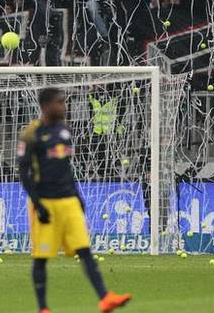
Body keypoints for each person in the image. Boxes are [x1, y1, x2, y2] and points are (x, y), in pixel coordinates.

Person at [17, 88, 131, 313]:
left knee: (84, 250)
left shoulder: (65, 131)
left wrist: (78, 196)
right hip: (46, 202)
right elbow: (24, 173)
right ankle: (43, 308)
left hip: (68, 200)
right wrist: (38, 204)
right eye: (60, 102)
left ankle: (105, 298)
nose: (64, 106)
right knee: (41, 258)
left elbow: (65, 168)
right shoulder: (31, 133)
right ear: (46, 106)